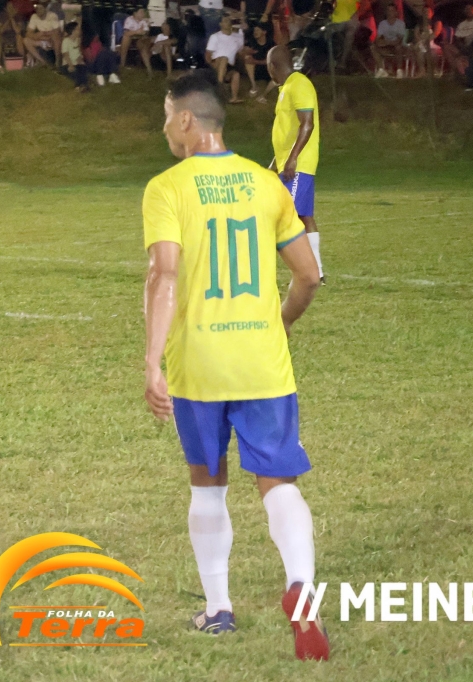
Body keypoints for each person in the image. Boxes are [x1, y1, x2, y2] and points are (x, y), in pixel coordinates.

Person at [141, 69, 326, 658]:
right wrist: (281, 323)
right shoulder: (266, 185)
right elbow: (308, 275)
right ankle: (301, 587)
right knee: (277, 481)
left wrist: (152, 362)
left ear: (186, 120)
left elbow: (163, 275)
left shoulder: (167, 188)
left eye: (166, 117)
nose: (164, 128)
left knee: (208, 483)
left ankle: (219, 609)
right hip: (261, 361)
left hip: (199, 363)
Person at [268, 45, 323, 283]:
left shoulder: (299, 84)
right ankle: (316, 270)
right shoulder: (286, 87)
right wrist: (275, 164)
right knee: (303, 217)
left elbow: (307, 124)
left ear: (272, 66)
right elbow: (288, 131)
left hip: (298, 164)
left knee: (285, 215)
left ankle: (305, 270)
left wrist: (292, 159)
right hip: (288, 163)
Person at [205, 14, 245, 104]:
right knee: (224, 58)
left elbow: (240, 52)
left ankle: (234, 98)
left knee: (236, 74)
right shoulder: (215, 37)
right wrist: (211, 64)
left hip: (229, 65)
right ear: (220, 24)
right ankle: (220, 89)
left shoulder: (237, 37)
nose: (228, 22)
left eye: (229, 20)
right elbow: (208, 54)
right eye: (225, 21)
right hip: (216, 63)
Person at [241, 21, 276, 101]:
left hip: (267, 69)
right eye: (254, 30)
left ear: (264, 32)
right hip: (255, 70)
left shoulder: (271, 44)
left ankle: (264, 95)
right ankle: (254, 86)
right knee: (247, 58)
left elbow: (271, 60)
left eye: (257, 30)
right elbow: (243, 53)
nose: (255, 32)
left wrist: (255, 61)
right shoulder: (251, 42)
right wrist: (247, 52)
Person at [371, 3, 407, 78]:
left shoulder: (400, 24)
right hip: (387, 47)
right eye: (388, 10)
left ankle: (399, 70)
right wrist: (379, 42)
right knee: (373, 47)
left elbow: (399, 40)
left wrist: (387, 42)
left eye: (392, 10)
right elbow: (378, 38)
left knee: (398, 47)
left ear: (396, 12)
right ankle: (381, 69)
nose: (390, 13)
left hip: (398, 47)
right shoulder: (382, 24)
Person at [24, 2, 62, 67]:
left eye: (40, 8)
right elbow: (28, 33)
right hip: (42, 39)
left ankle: (58, 62)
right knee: (26, 40)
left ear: (45, 9)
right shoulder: (34, 16)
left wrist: (44, 34)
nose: (38, 10)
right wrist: (37, 36)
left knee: (56, 38)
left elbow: (57, 31)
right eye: (37, 9)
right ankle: (43, 62)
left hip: (52, 39)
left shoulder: (52, 16)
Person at [120, 7, 153, 75]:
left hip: (139, 39)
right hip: (130, 37)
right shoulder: (129, 19)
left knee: (143, 45)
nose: (143, 14)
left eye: (143, 12)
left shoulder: (144, 21)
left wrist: (145, 30)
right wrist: (136, 32)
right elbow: (126, 33)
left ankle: (149, 70)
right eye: (141, 12)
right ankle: (122, 65)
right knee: (126, 38)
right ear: (135, 13)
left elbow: (146, 32)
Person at [60, 20, 88, 90]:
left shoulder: (77, 40)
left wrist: (80, 59)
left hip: (77, 63)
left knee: (83, 69)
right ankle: (78, 86)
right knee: (75, 73)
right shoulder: (66, 41)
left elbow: (79, 52)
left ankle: (83, 84)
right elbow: (65, 54)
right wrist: (70, 65)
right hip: (67, 64)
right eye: (77, 29)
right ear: (73, 31)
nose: (80, 31)